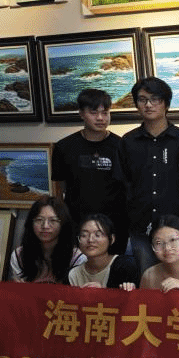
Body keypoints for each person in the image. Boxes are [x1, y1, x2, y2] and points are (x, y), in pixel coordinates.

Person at [120, 77, 179, 276]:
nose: (148, 105)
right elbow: (123, 184)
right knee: (147, 280)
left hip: (177, 231)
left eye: (155, 99)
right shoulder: (128, 142)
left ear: (166, 104)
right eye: (142, 100)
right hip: (141, 228)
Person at [51, 88, 129, 255]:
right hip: (77, 225)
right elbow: (59, 188)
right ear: (81, 113)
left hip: (114, 225)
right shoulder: (64, 147)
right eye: (94, 113)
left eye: (105, 112)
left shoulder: (122, 146)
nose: (100, 118)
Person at [9, 196, 84, 284]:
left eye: (53, 220)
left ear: (63, 224)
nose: (45, 226)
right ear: (31, 223)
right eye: (39, 220)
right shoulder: (19, 256)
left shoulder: (77, 258)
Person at [68, 213, 140, 290]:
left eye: (97, 235)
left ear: (112, 239)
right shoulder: (73, 274)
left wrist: (103, 292)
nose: (90, 240)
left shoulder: (125, 267)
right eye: (84, 235)